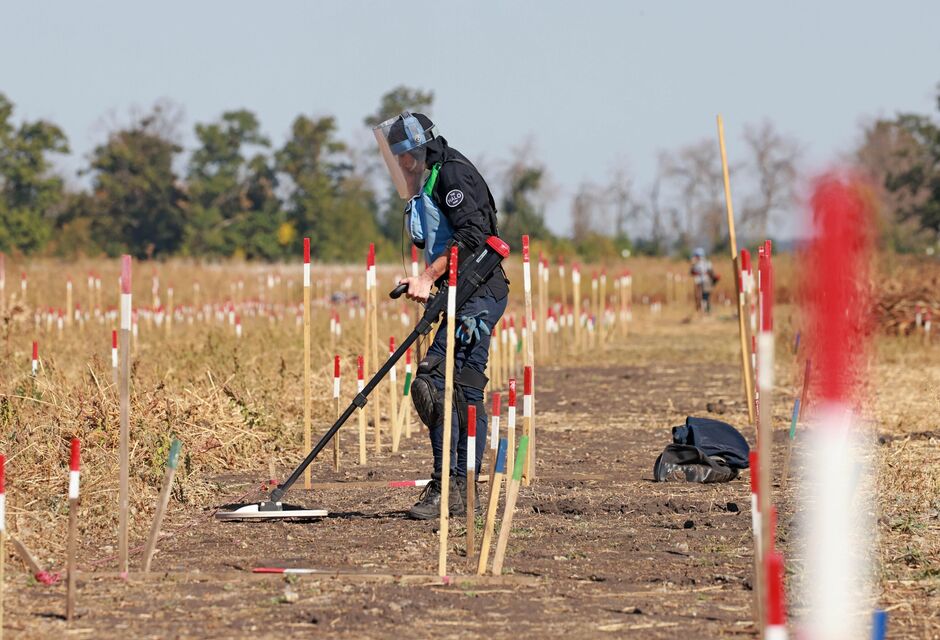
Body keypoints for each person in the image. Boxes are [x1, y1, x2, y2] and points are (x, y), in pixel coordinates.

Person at [374, 112, 509, 520]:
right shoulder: (431, 179)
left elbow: (476, 237)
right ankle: (459, 492)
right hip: (462, 293)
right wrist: (426, 281)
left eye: (401, 159)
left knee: (432, 382)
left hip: (480, 295)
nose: (399, 167)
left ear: (412, 154)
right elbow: (446, 244)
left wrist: (429, 275)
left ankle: (448, 487)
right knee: (463, 392)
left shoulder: (452, 176)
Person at [690, 247, 719, 313]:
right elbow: (691, 272)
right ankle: (700, 310)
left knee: (706, 296)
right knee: (698, 296)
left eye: (697, 256)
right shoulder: (695, 264)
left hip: (706, 281)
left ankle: (707, 310)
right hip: (698, 282)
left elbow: (711, 272)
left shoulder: (707, 263)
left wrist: (714, 278)